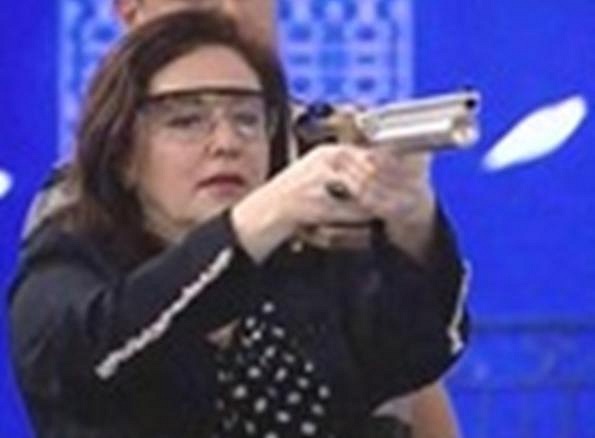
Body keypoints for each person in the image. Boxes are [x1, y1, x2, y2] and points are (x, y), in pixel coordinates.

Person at [9, 9, 468, 438]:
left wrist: (411, 220)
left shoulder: (302, 256)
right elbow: (89, 359)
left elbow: (418, 354)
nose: (226, 142)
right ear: (122, 154)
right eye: (186, 121)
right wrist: (259, 219)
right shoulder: (71, 252)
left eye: (248, 119)